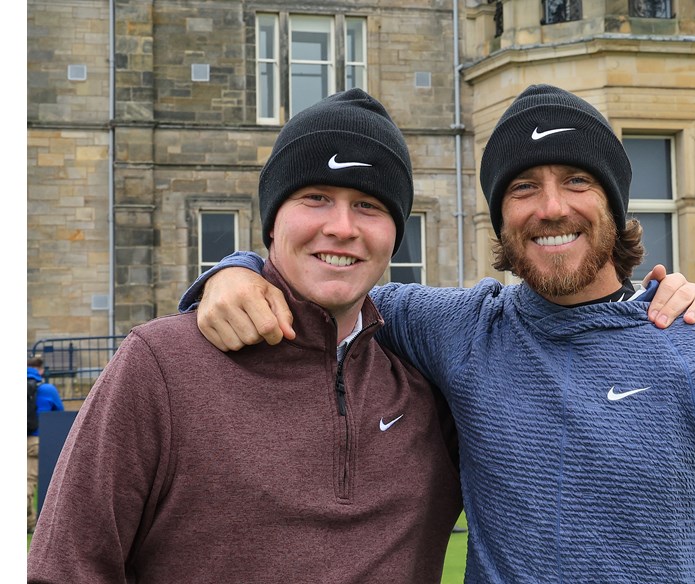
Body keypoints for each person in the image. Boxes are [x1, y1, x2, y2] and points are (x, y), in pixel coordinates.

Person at [186, 85, 695, 581]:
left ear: (616, 209)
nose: (552, 207)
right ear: (501, 220)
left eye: (577, 181)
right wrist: (237, 271)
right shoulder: (456, 329)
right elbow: (330, 280)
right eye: (524, 187)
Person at [27, 89, 463, 584]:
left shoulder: (430, 388)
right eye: (316, 197)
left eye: (368, 205)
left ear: (394, 234)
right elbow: (66, 569)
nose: (342, 227)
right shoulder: (159, 365)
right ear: (271, 223)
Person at [26, 356, 64, 534]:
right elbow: (60, 414)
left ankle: (30, 522)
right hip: (39, 440)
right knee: (45, 482)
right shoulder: (48, 389)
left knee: (27, 481)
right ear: (40, 370)